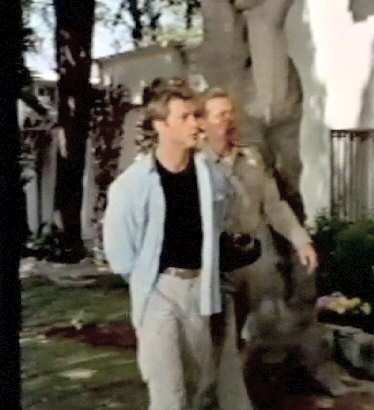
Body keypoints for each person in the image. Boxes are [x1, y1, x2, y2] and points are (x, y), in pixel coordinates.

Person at [103, 80, 231, 410]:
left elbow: (218, 225)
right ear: (161, 125)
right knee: (168, 394)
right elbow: (120, 255)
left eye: (196, 116)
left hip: (199, 289)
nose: (196, 124)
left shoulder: (211, 177)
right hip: (158, 291)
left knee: (199, 387)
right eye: (185, 117)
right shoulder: (132, 185)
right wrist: (148, 280)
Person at [197, 88, 317, 340]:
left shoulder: (252, 157)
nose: (228, 120)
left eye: (230, 113)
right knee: (220, 334)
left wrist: (301, 241)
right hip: (217, 260)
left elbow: (274, 205)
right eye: (220, 115)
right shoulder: (195, 164)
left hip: (256, 258)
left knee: (269, 328)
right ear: (203, 122)